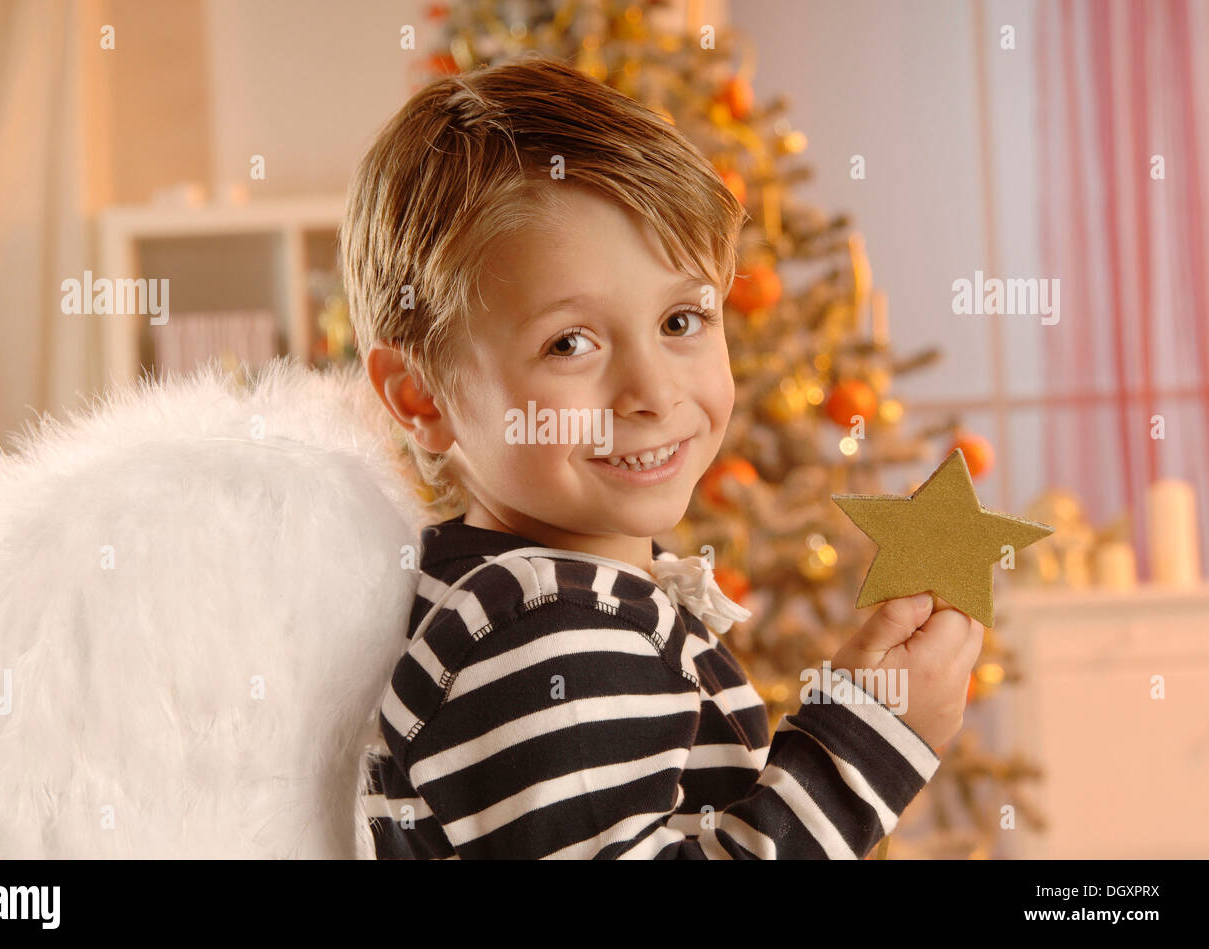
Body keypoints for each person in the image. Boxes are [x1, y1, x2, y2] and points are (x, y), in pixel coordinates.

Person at [341, 55, 983, 859]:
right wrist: (865, 745)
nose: (652, 391)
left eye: (682, 319)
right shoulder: (547, 632)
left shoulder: (544, 599)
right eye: (569, 343)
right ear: (422, 399)